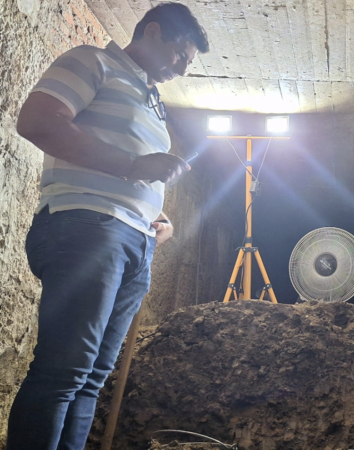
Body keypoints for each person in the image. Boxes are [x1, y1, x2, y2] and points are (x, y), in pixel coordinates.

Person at [6, 3, 209, 449]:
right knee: (65, 370)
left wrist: (152, 216)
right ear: (152, 32)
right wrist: (135, 165)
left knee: (93, 377)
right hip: (88, 225)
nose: (182, 68)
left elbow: (129, 171)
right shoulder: (93, 61)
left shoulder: (152, 101)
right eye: (180, 55)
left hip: (133, 240)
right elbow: (38, 120)